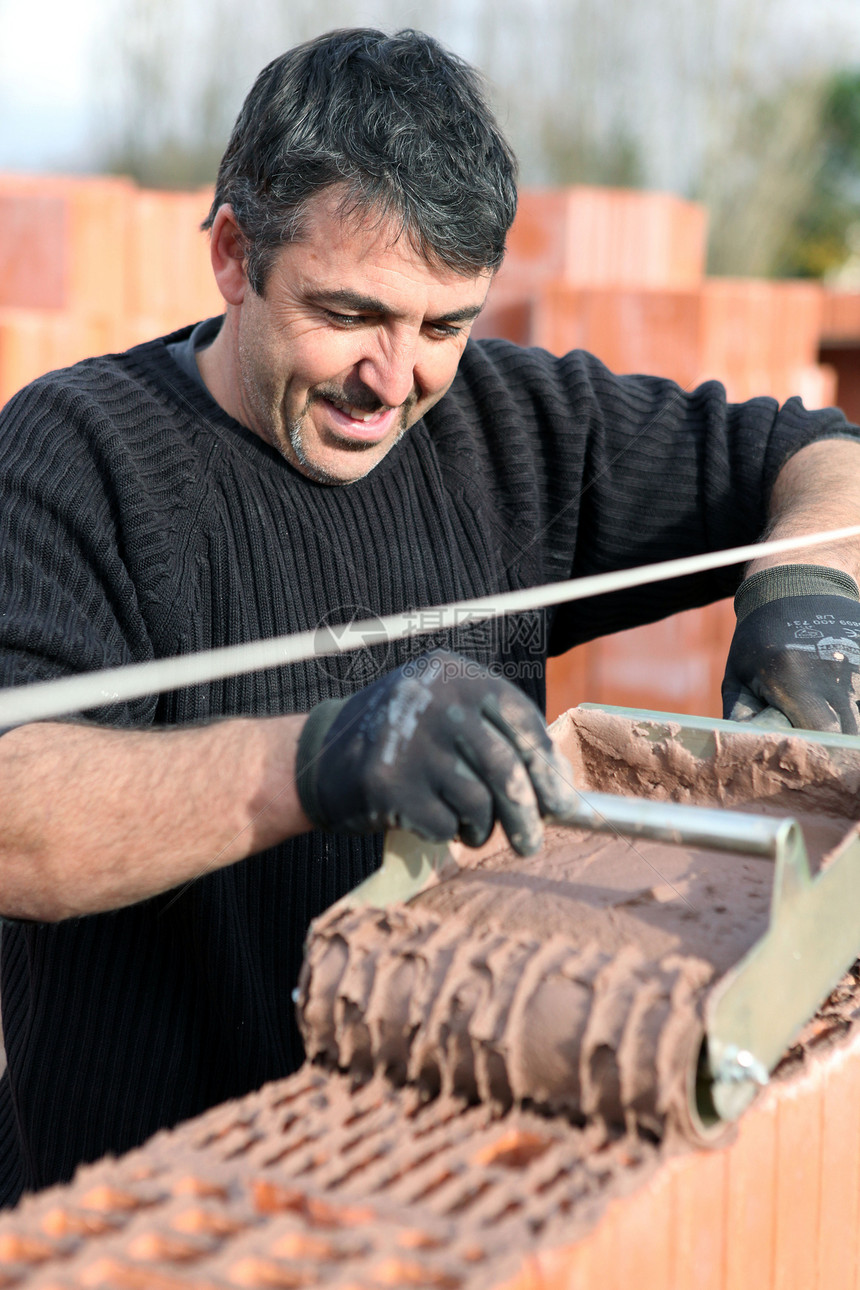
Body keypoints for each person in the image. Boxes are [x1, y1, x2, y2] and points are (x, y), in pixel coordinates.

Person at [1, 28, 859, 1208]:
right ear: (234, 254)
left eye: (444, 325)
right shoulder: (75, 454)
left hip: (451, 1180)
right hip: (152, 1199)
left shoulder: (514, 426)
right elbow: (16, 820)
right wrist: (318, 757)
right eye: (350, 314)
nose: (393, 379)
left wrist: (807, 609)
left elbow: (817, 456)